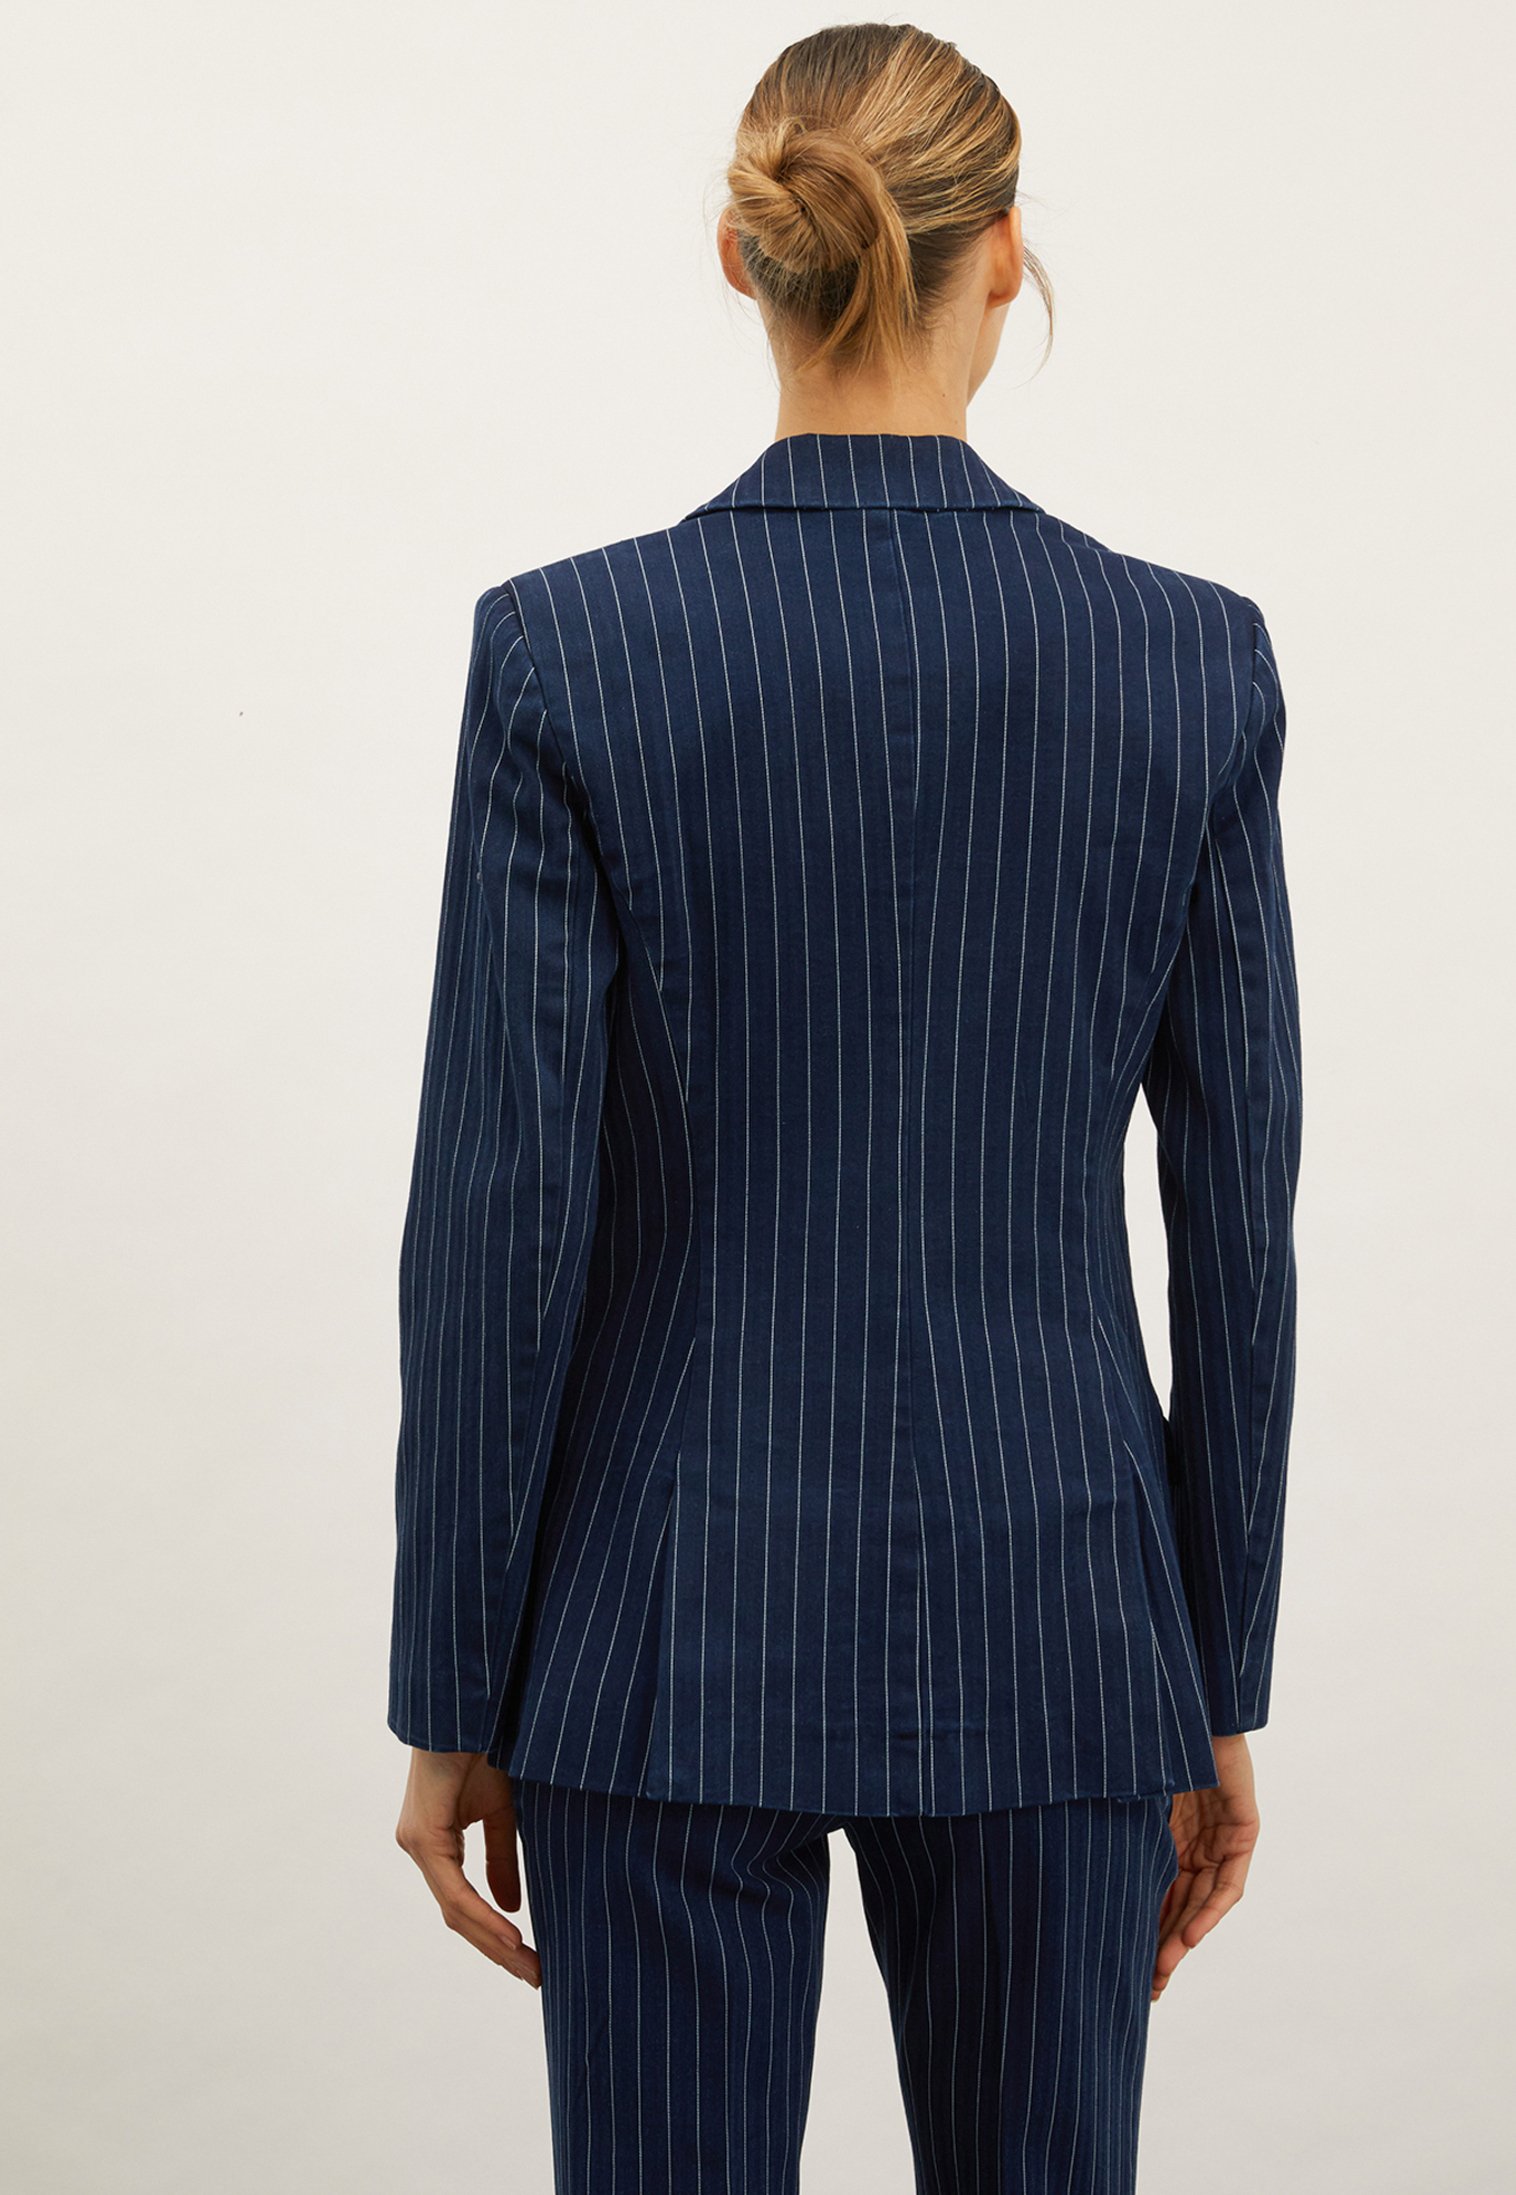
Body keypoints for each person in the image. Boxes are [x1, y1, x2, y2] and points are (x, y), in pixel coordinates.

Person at [387, 21, 1302, 2194]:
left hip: (656, 1625)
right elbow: (1238, 1223)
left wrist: (453, 1687)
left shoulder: (576, 652)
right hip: (1066, 1627)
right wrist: (1213, 1671)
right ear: (1006, 257)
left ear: (742, 256)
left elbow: (498, 1215)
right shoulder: (1188, 662)